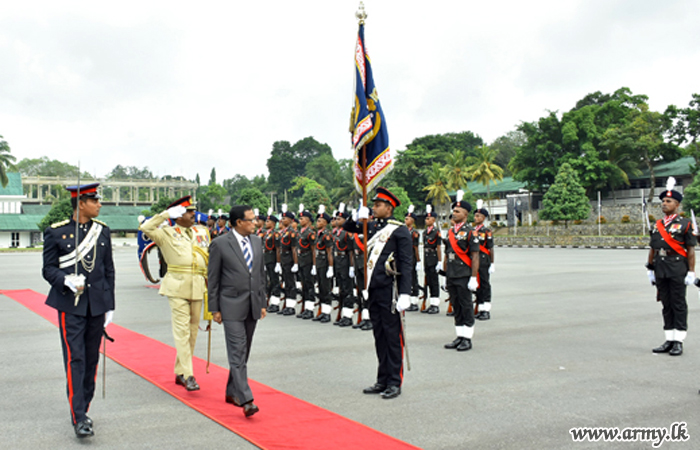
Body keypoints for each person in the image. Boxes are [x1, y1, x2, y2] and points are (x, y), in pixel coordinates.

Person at [42, 182, 115, 438]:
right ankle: (79, 416)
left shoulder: (102, 232)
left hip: (96, 305)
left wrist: (110, 305)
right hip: (70, 305)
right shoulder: (55, 233)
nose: (99, 204)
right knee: (76, 358)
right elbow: (48, 269)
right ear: (81, 203)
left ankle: (84, 405)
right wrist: (65, 280)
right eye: (95, 200)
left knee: (92, 358)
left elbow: (108, 271)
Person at [344, 187, 412, 399]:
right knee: (379, 335)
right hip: (373, 289)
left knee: (392, 337)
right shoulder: (371, 226)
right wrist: (356, 215)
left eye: (377, 205)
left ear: (389, 208)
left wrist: (405, 293)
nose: (374, 208)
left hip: (390, 290)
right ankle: (382, 379)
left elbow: (406, 263)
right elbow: (348, 227)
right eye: (373, 205)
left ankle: (394, 381)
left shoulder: (399, 231)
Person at [139, 196, 209, 391]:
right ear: (178, 215)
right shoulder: (166, 233)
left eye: (193, 211)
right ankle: (189, 374)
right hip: (177, 285)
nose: (193, 214)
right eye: (188, 211)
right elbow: (145, 229)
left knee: (193, 331)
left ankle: (180, 371)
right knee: (182, 331)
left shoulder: (201, 231)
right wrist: (165, 215)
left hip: (198, 284)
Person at [207, 205, 266, 417]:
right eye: (251, 220)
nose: (255, 223)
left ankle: (232, 391)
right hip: (230, 304)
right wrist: (213, 308)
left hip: (252, 304)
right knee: (237, 351)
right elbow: (212, 279)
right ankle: (246, 398)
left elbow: (260, 274)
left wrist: (262, 302)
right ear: (239, 222)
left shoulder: (257, 242)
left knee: (244, 351)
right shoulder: (220, 244)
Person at [647, 177, 696, 356]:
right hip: (660, 268)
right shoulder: (657, 225)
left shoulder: (685, 224)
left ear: (677, 205)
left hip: (677, 268)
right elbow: (653, 248)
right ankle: (668, 338)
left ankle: (678, 340)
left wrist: (691, 271)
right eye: (663, 201)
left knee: (678, 304)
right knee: (666, 304)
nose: (664, 204)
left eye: (668, 201)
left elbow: (690, 250)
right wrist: (650, 269)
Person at [443, 191, 480, 352]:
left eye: (457, 211)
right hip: (452, 274)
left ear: (465, 214)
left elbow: (475, 256)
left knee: (466, 306)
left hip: (464, 275)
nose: (454, 213)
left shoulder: (471, 232)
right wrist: (445, 274)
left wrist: (473, 277)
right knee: (456, 306)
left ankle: (467, 338)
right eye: (454, 211)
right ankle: (459, 335)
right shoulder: (451, 232)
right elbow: (447, 254)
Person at [334, 205, 356, 327]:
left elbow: (351, 251)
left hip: (346, 260)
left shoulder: (348, 233)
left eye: (340, 219)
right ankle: (342, 314)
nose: (337, 221)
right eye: (336, 219)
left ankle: (348, 316)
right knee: (341, 289)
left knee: (348, 289)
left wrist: (352, 266)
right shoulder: (338, 232)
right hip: (338, 260)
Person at [473, 200, 495, 320]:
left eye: (478, 216)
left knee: (485, 284)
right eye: (475, 215)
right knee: (477, 285)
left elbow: (490, 248)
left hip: (483, 260)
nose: (476, 218)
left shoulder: (487, 231)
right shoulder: (472, 230)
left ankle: (486, 309)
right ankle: (479, 307)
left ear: (484, 218)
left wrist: (492, 263)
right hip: (473, 261)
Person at [313, 206, 335, 323]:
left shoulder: (327, 235)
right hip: (319, 263)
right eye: (317, 221)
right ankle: (322, 311)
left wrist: (330, 267)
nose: (317, 223)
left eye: (320, 221)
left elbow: (329, 252)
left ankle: (327, 313)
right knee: (321, 288)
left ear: (325, 223)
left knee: (326, 289)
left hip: (325, 264)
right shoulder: (318, 234)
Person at [296, 205, 317, 320]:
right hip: (302, 260)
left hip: (308, 260)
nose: (300, 220)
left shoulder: (310, 232)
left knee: (309, 285)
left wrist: (314, 265)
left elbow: (314, 250)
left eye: (302, 218)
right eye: (300, 218)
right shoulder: (301, 232)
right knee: (304, 285)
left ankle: (310, 309)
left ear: (308, 220)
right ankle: (305, 307)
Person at [278, 205, 299, 315]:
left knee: (291, 283)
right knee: (286, 282)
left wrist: (295, 263)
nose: (282, 220)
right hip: (284, 260)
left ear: (290, 220)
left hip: (289, 259)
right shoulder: (283, 232)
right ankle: (287, 304)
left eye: (284, 218)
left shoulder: (292, 233)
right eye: (282, 218)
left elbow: (294, 249)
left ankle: (291, 306)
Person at [421, 204, 442, 314]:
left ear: (433, 220)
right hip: (426, 258)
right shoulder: (425, 233)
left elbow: (438, 247)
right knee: (428, 280)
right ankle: (430, 302)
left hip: (433, 258)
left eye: (428, 218)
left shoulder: (436, 232)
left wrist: (439, 261)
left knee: (434, 281)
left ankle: (435, 304)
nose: (426, 220)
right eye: (426, 218)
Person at [262, 210, 283, 313]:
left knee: (275, 281)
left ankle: (275, 303)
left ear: (273, 224)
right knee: (269, 281)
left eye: (268, 221)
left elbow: (278, 249)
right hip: (267, 260)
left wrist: (278, 263)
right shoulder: (266, 234)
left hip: (273, 259)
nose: (266, 223)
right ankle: (270, 301)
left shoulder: (276, 234)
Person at [404, 205, 421, 311]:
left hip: (412, 258)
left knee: (413, 279)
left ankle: (414, 301)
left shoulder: (414, 233)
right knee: (407, 279)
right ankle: (409, 300)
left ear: (412, 220)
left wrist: (418, 260)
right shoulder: (404, 231)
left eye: (407, 218)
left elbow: (416, 248)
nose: (405, 220)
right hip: (405, 258)